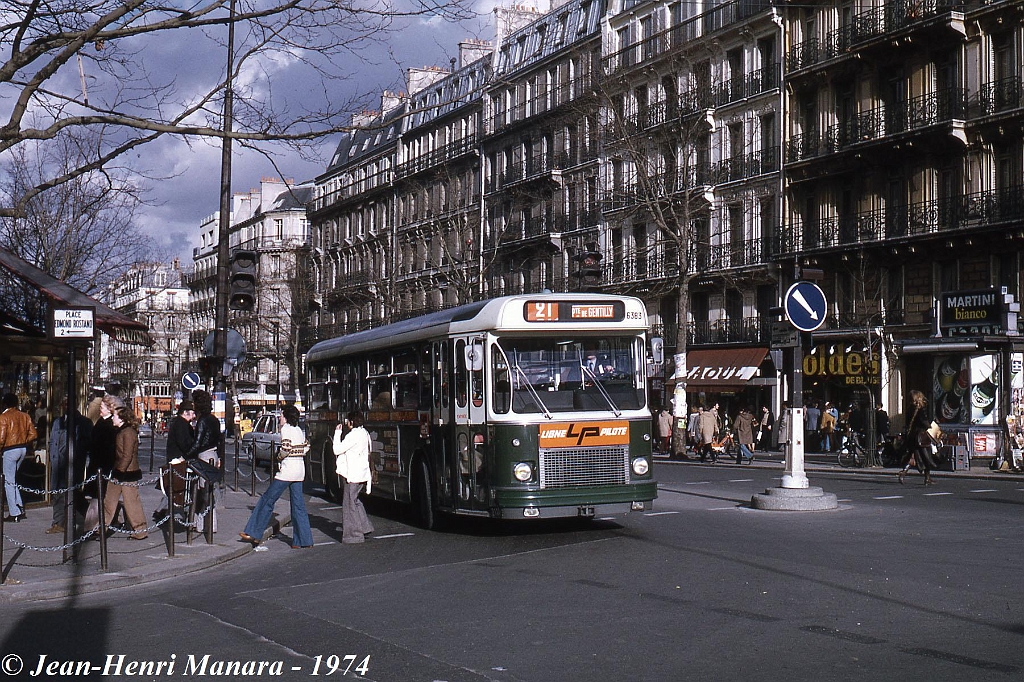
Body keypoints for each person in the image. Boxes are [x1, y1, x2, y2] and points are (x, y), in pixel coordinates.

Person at [240, 405, 313, 548]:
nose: (280, 418)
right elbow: (306, 447)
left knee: (267, 500)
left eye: (281, 415)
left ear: (286, 417)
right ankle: (304, 541)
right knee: (298, 506)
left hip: (287, 471)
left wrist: (279, 457)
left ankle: (254, 533)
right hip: (299, 470)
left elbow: (286, 448)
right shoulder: (298, 430)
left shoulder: (285, 429)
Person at [96, 406, 148, 539]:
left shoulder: (128, 432)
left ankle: (140, 531)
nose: (112, 418)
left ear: (122, 418)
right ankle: (100, 529)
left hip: (126, 473)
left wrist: (119, 472)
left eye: (115, 415)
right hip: (119, 471)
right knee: (109, 501)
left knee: (132, 503)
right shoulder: (121, 431)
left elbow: (127, 455)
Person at [47, 398, 92, 534]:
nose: (66, 406)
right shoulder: (57, 422)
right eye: (64, 404)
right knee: (58, 494)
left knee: (74, 494)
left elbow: (87, 443)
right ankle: (59, 523)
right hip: (57, 465)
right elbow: (52, 441)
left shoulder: (84, 422)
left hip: (73, 464)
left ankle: (92, 519)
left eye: (69, 404)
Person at [332, 411, 375, 544]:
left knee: (349, 504)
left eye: (348, 421)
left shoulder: (353, 435)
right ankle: (365, 527)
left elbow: (337, 450)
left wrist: (337, 433)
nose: (347, 423)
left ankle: (354, 535)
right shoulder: (365, 433)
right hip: (362, 473)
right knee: (355, 500)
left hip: (353, 474)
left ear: (352, 422)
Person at [186, 390, 221, 531]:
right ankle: (210, 525)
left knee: (203, 493)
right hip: (213, 454)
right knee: (209, 491)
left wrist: (186, 455)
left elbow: (198, 443)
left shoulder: (202, 421)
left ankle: (201, 525)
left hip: (204, 456)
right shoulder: (214, 419)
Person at [0, 393, 37, 522]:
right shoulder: (25, 416)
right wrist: (23, 440)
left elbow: (2, 438)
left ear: (4, 403)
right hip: (22, 448)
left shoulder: (3, 417)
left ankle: (14, 512)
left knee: (8, 482)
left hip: (9, 450)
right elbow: (33, 434)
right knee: (13, 479)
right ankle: (19, 507)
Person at [900, 389, 938, 486]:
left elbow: (908, 422)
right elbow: (924, 422)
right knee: (926, 457)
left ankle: (903, 472)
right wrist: (930, 426)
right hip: (921, 436)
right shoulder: (921, 409)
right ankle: (927, 478)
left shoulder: (910, 409)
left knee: (913, 456)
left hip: (912, 436)